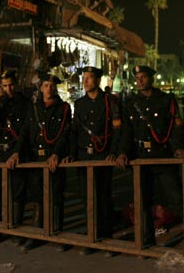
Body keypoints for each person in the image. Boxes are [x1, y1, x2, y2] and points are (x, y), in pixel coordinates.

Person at [116, 65, 184, 253]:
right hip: (141, 160)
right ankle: (146, 241)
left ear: (151, 79)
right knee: (143, 202)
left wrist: (179, 147)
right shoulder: (131, 103)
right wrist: (123, 152)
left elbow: (176, 127)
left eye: (143, 77)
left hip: (163, 157)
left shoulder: (166, 100)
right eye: (138, 77)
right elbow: (127, 132)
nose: (140, 80)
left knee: (178, 201)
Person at [6, 72, 71, 252]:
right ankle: (37, 233)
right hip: (36, 158)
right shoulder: (34, 108)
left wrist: (57, 153)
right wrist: (16, 152)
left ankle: (57, 233)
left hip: (53, 157)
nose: (49, 88)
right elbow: (25, 133)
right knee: (37, 196)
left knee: (56, 195)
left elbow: (65, 133)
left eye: (51, 85)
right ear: (40, 88)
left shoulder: (63, 108)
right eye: (45, 85)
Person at [64, 66, 121, 257]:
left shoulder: (109, 102)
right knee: (86, 197)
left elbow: (117, 130)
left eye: (89, 78)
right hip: (83, 156)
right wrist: (71, 153)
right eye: (84, 78)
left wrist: (113, 152)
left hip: (102, 156)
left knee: (103, 197)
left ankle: (107, 238)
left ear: (97, 80)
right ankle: (91, 237)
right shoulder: (79, 104)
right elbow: (74, 131)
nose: (85, 81)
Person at [0, 69, 31, 246]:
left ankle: (16, 228)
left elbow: (25, 131)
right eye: (4, 86)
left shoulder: (25, 104)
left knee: (17, 191)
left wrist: (17, 151)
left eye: (11, 85)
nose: (8, 89)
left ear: (16, 85)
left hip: (16, 151)